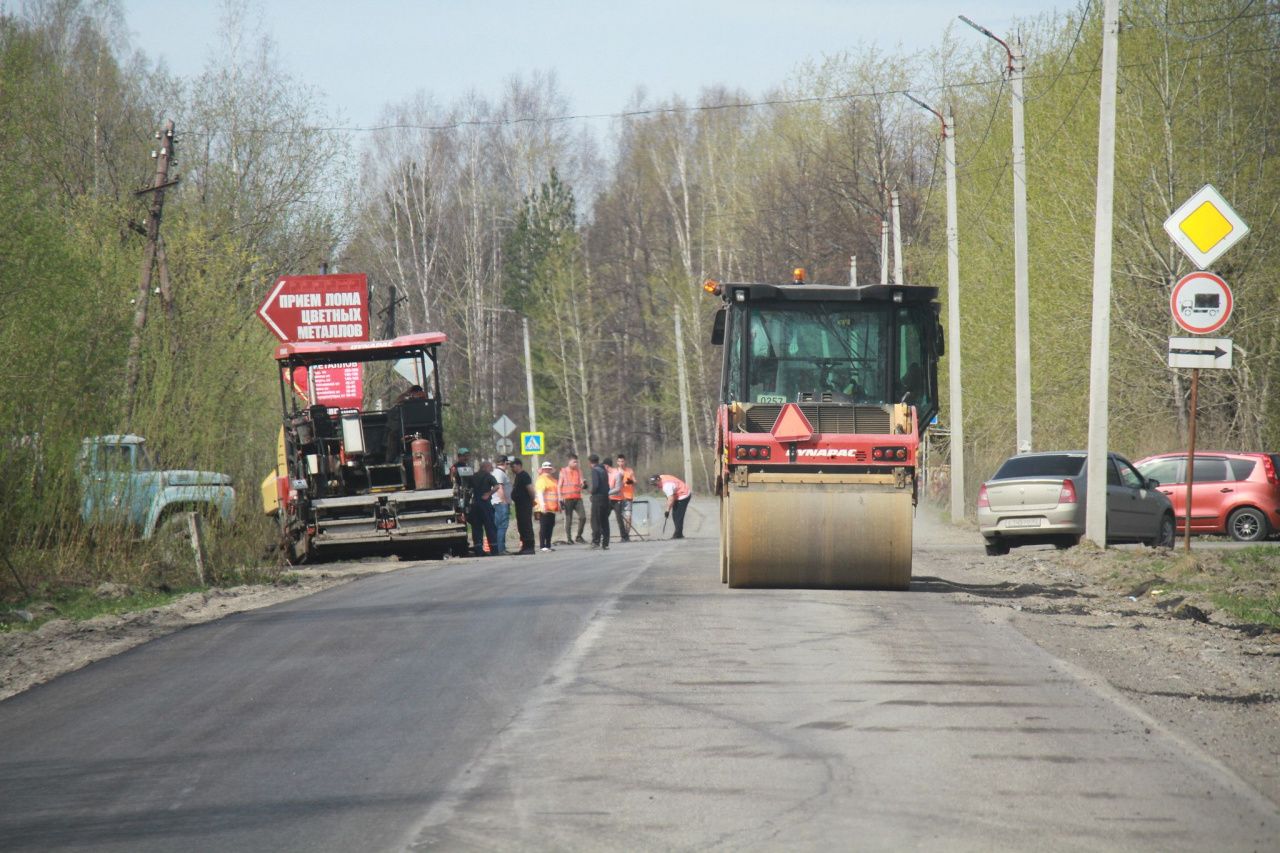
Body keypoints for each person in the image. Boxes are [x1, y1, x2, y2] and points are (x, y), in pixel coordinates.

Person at [469, 460, 498, 556]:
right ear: (485, 467)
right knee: (490, 527)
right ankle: (494, 550)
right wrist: (489, 494)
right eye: (490, 467)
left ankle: (478, 550)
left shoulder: (473, 476)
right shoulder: (488, 476)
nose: (491, 469)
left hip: (475, 505)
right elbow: (497, 486)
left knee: (476, 528)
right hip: (485, 504)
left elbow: (468, 489)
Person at [650, 473, 692, 539]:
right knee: (675, 515)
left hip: (683, 495)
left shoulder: (667, 486)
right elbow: (670, 498)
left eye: (655, 484)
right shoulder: (661, 477)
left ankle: (678, 534)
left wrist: (667, 511)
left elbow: (671, 499)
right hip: (677, 493)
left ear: (659, 480)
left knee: (678, 515)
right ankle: (678, 533)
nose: (656, 486)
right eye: (653, 485)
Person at [557, 454, 587, 545]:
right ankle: (569, 538)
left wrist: (584, 484)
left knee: (583, 517)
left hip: (577, 498)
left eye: (576, 462)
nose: (576, 463)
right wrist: (560, 498)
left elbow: (582, 482)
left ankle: (579, 536)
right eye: (574, 462)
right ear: (569, 461)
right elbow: (559, 485)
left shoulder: (579, 471)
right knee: (568, 519)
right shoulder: (563, 471)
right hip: (567, 499)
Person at [510, 458, 536, 555]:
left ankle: (530, 547)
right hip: (519, 505)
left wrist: (533, 500)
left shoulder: (524, 475)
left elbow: (530, 489)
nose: (512, 469)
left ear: (519, 465)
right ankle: (524, 546)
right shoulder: (518, 476)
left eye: (513, 466)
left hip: (525, 504)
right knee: (521, 526)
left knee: (526, 525)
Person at [588, 453, 611, 550]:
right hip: (605, 497)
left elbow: (596, 485)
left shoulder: (595, 470)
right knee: (604, 520)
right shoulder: (603, 470)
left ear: (590, 462)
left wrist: (591, 492)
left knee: (595, 520)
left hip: (598, 498)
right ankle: (605, 542)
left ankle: (596, 541)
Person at [535, 461, 559, 552]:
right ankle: (542, 545)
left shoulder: (553, 480)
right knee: (544, 527)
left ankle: (548, 545)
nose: (547, 471)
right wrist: (543, 505)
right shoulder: (541, 479)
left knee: (550, 526)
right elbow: (540, 493)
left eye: (549, 469)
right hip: (543, 508)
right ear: (543, 470)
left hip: (552, 508)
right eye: (546, 469)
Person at [611, 454, 636, 542]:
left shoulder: (629, 470)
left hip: (628, 497)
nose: (621, 463)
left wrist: (630, 481)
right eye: (619, 461)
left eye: (622, 461)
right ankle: (623, 535)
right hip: (618, 497)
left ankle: (627, 535)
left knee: (628, 517)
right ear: (617, 462)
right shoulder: (615, 471)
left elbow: (634, 481)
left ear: (625, 461)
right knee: (620, 518)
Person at [491, 456, 512, 555]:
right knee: (502, 526)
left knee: (500, 526)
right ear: (504, 463)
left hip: (500, 503)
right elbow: (500, 488)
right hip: (500, 503)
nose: (508, 465)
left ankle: (500, 548)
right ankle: (501, 549)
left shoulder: (500, 473)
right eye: (507, 463)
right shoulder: (499, 473)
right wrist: (504, 501)